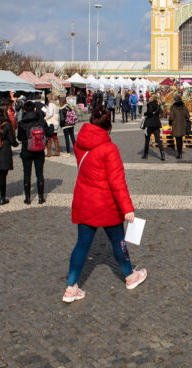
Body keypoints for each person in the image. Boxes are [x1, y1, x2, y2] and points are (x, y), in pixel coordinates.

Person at [62, 106, 147, 304]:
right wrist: (127, 209)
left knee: (81, 246)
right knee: (118, 242)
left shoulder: (80, 145)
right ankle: (129, 276)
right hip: (106, 204)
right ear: (108, 127)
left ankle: (70, 287)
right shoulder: (110, 149)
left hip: (84, 201)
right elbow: (117, 182)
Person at [16, 101, 51, 204]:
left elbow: (19, 138)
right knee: (40, 173)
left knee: (27, 173)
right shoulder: (41, 122)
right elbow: (49, 133)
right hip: (39, 150)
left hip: (26, 149)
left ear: (25, 110)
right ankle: (41, 198)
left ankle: (27, 198)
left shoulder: (22, 123)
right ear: (35, 109)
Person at [142, 93, 165, 160]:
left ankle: (145, 154)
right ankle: (162, 154)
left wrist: (145, 113)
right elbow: (162, 112)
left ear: (151, 98)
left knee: (147, 139)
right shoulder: (158, 105)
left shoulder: (150, 104)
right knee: (158, 139)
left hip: (149, 123)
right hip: (156, 124)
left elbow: (149, 112)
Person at [168, 95, 191, 159]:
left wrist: (170, 122)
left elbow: (171, 117)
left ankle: (179, 154)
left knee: (177, 140)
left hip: (176, 125)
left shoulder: (173, 107)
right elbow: (188, 116)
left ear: (175, 100)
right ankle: (180, 153)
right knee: (180, 139)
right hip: (183, 125)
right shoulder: (184, 107)